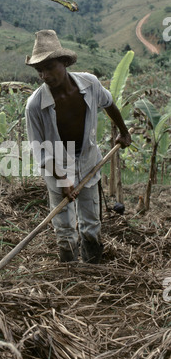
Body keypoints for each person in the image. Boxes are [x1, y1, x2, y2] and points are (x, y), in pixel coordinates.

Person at [25, 30, 131, 264]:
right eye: (39, 70)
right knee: (64, 230)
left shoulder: (90, 84)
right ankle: (70, 272)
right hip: (57, 168)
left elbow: (109, 103)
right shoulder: (35, 105)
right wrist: (63, 180)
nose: (44, 75)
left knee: (91, 224)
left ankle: (92, 267)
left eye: (49, 67)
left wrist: (123, 132)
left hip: (88, 161)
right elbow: (40, 150)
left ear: (63, 62)